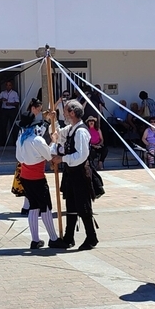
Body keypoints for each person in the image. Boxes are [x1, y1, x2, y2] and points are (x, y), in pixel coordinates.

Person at [49, 100, 99, 251]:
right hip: (71, 173)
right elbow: (58, 134)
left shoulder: (81, 131)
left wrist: (62, 159)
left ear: (72, 113)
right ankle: (69, 237)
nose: (64, 113)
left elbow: (81, 155)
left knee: (83, 206)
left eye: (65, 111)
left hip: (80, 173)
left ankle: (91, 237)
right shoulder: (71, 129)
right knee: (70, 204)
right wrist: (54, 119)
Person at [15, 100, 60, 249]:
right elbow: (49, 155)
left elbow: (20, 159)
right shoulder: (37, 140)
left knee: (33, 207)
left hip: (26, 177)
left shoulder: (20, 140)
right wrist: (53, 141)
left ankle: (35, 240)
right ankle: (53, 238)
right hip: (37, 177)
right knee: (45, 207)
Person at [0, 80, 20, 145]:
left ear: (11, 86)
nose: (8, 86)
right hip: (4, 110)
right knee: (3, 126)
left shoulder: (14, 93)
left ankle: (15, 142)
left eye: (9, 85)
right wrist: (2, 99)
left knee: (13, 126)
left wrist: (10, 104)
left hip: (12, 110)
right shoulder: (3, 93)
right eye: (7, 85)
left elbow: (17, 103)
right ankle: (3, 142)